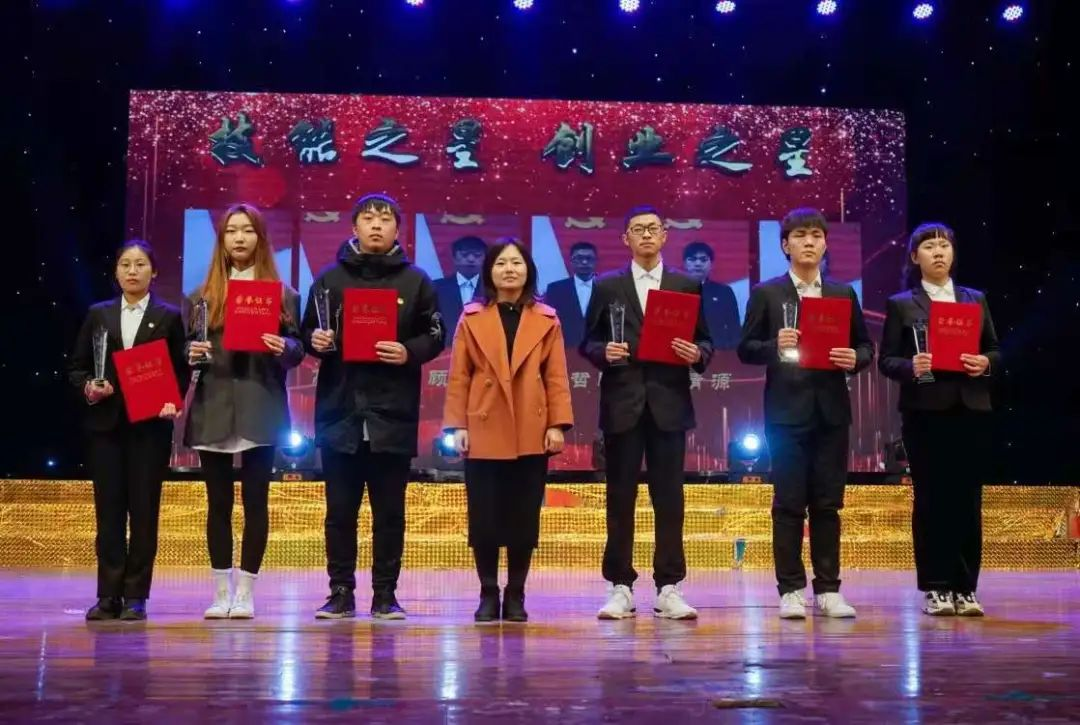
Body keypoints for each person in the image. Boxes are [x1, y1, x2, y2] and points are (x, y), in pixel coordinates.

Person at [303, 193, 444, 620]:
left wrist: (408, 351)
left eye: (385, 219)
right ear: (355, 227)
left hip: (391, 413)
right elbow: (308, 330)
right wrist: (316, 340)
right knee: (339, 513)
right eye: (368, 218)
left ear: (398, 229)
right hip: (340, 411)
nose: (377, 225)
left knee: (390, 514)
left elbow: (435, 334)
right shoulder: (329, 279)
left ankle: (385, 594)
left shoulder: (416, 281)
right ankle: (340, 592)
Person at [737, 208, 873, 620]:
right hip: (785, 412)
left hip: (832, 411)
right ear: (785, 245)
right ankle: (791, 589)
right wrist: (774, 345)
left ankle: (829, 589)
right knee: (789, 502)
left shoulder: (842, 293)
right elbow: (745, 348)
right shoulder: (767, 293)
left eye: (816, 235)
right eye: (800, 236)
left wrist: (855, 358)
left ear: (826, 243)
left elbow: (865, 347)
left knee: (828, 504)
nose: (809, 242)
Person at [580, 205, 713, 621]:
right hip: (622, 403)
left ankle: (668, 586)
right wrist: (603, 352)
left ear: (665, 235)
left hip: (669, 404)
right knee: (620, 498)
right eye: (637, 229)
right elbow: (587, 342)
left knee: (669, 498)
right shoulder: (607, 285)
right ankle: (620, 586)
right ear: (626, 239)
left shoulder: (685, 284)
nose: (646, 235)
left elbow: (705, 342)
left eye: (653, 228)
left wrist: (696, 354)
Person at [443, 239, 574, 622]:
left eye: (517, 262)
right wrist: (457, 425)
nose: (509, 269)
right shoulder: (471, 317)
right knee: (484, 517)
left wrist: (557, 424)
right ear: (490, 272)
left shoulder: (547, 319)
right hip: (483, 425)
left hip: (531, 429)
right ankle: (488, 592)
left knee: (523, 517)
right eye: (501, 263)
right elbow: (459, 376)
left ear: (528, 271)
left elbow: (556, 376)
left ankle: (516, 593)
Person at [185, 203, 305, 620]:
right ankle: (221, 592)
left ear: (260, 238)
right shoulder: (200, 296)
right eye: (232, 230)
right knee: (217, 504)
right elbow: (186, 348)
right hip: (214, 405)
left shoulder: (284, 295)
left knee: (256, 502)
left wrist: (285, 346)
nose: (239, 237)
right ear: (221, 240)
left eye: (248, 230)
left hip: (260, 402)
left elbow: (298, 348)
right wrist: (191, 352)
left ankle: (246, 594)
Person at [879, 223, 999, 617]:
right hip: (925, 411)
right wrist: (911, 366)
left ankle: (966, 587)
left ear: (953, 253)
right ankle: (936, 586)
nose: (938, 252)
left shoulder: (975, 299)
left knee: (967, 498)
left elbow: (994, 350)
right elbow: (887, 360)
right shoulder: (902, 304)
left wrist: (984, 363)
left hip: (970, 408)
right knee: (932, 499)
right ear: (915, 257)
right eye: (929, 246)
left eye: (944, 245)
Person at [67, 240, 188, 621]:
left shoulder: (168, 316)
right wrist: (89, 388)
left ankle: (136, 596)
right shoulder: (98, 314)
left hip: (149, 429)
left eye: (140, 264)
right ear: (116, 272)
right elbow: (78, 367)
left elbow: (180, 370)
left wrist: (173, 401)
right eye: (125, 264)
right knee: (109, 513)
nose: (132, 271)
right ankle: (108, 595)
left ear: (154, 271)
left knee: (144, 511)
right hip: (106, 427)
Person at [682, 241, 741, 349]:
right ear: (685, 263)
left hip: (717, 350)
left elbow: (734, 328)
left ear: (711, 264)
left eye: (703, 260)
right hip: (683, 348)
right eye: (692, 259)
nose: (698, 264)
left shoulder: (724, 291)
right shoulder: (674, 289)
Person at [434, 235, 487, 344]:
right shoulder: (436, 287)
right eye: (465, 255)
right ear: (454, 258)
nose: (471, 259)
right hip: (446, 348)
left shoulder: (492, 289)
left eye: (477, 255)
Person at [545, 241, 598, 346]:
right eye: (579, 258)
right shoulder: (555, 289)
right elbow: (549, 321)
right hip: (565, 348)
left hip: (599, 350)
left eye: (589, 258)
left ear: (596, 261)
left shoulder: (607, 288)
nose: (584, 262)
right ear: (571, 261)